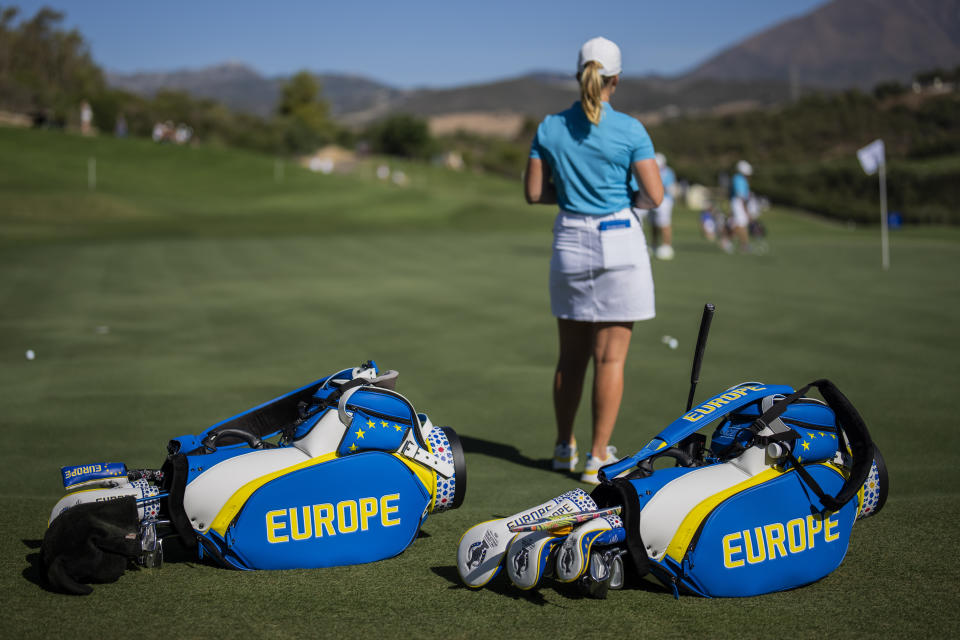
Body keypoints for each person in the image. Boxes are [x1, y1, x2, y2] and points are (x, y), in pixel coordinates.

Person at [524, 37, 664, 484]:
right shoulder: (630, 129)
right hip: (619, 239)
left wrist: (564, 194)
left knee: (571, 357)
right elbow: (654, 195)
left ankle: (564, 448)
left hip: (570, 240)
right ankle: (598, 456)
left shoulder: (549, 127)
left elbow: (533, 193)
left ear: (578, 73)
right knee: (610, 360)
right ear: (615, 80)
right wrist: (627, 197)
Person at [650, 152, 676, 260]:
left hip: (665, 200)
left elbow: (668, 188)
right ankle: (654, 245)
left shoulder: (668, 172)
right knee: (653, 223)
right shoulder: (651, 170)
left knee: (664, 223)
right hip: (652, 199)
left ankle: (667, 246)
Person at [728, 160, 753, 251]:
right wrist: (746, 210)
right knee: (740, 224)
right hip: (738, 203)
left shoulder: (740, 179)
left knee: (740, 224)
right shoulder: (738, 179)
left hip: (739, 202)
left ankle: (743, 244)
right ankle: (729, 240)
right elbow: (741, 196)